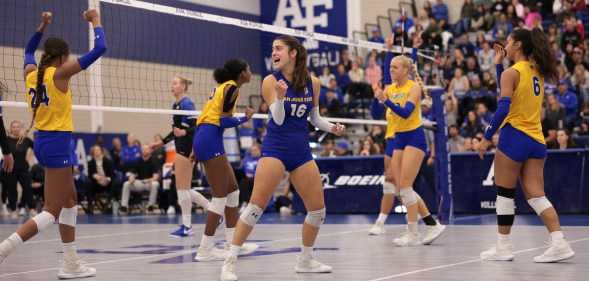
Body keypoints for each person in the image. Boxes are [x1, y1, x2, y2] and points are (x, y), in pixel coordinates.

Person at [220, 35, 346, 281]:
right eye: (273, 49)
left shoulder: (313, 82)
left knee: (318, 211)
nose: (274, 52)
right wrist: (279, 96)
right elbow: (276, 119)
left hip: (301, 152)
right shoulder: (270, 81)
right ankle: (230, 261)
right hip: (275, 148)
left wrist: (333, 128)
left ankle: (305, 259)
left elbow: (315, 119)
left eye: (279, 49)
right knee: (256, 207)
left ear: (293, 54)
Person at [0, 10, 106, 278]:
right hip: (58, 142)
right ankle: (3, 250)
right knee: (51, 211)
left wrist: (42, 26)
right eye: (67, 57)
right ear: (62, 57)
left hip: (43, 143)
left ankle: (70, 263)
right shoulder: (61, 73)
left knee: (71, 201)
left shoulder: (31, 73)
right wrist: (95, 21)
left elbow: (27, 51)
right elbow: (101, 47)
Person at [476, 28, 575, 263]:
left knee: (504, 193)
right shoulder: (536, 70)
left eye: (508, 43)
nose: (505, 46)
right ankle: (559, 242)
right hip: (537, 141)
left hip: (514, 137)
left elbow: (503, 108)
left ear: (518, 45)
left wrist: (486, 137)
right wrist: (499, 66)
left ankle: (503, 247)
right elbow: (512, 87)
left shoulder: (512, 73)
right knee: (536, 196)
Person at [371, 33, 444, 247]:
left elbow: (405, 113)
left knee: (405, 185)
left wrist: (386, 100)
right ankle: (428, 225)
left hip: (414, 138)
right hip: (397, 139)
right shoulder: (390, 88)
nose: (391, 70)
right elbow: (377, 113)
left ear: (405, 70)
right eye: (390, 67)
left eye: (395, 67)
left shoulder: (413, 87)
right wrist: (378, 97)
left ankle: (414, 232)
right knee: (402, 188)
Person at [192, 58, 258, 262]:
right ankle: (205, 249)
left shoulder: (224, 88)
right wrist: (245, 119)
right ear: (241, 74)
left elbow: (204, 117)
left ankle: (232, 242)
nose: (250, 71)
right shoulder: (231, 89)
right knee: (219, 197)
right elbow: (223, 120)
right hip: (210, 140)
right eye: (248, 68)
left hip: (206, 137)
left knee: (234, 191)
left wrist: (195, 146)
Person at [150, 76, 210, 237]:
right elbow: (175, 131)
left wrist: (184, 132)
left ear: (183, 87)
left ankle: (188, 225)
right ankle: (211, 213)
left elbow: (197, 126)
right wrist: (160, 143)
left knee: (182, 189)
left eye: (175, 83)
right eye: (172, 83)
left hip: (187, 149)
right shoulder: (175, 105)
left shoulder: (186, 103)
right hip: (180, 147)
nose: (172, 86)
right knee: (184, 189)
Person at [3, 121, 36, 218]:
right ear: (11, 128)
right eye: (14, 127)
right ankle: (13, 210)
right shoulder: (6, 140)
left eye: (18, 127)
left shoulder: (25, 139)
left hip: (24, 169)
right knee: (12, 190)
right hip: (10, 169)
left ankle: (32, 209)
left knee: (28, 188)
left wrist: (30, 156)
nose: (16, 128)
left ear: (20, 128)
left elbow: (35, 147)